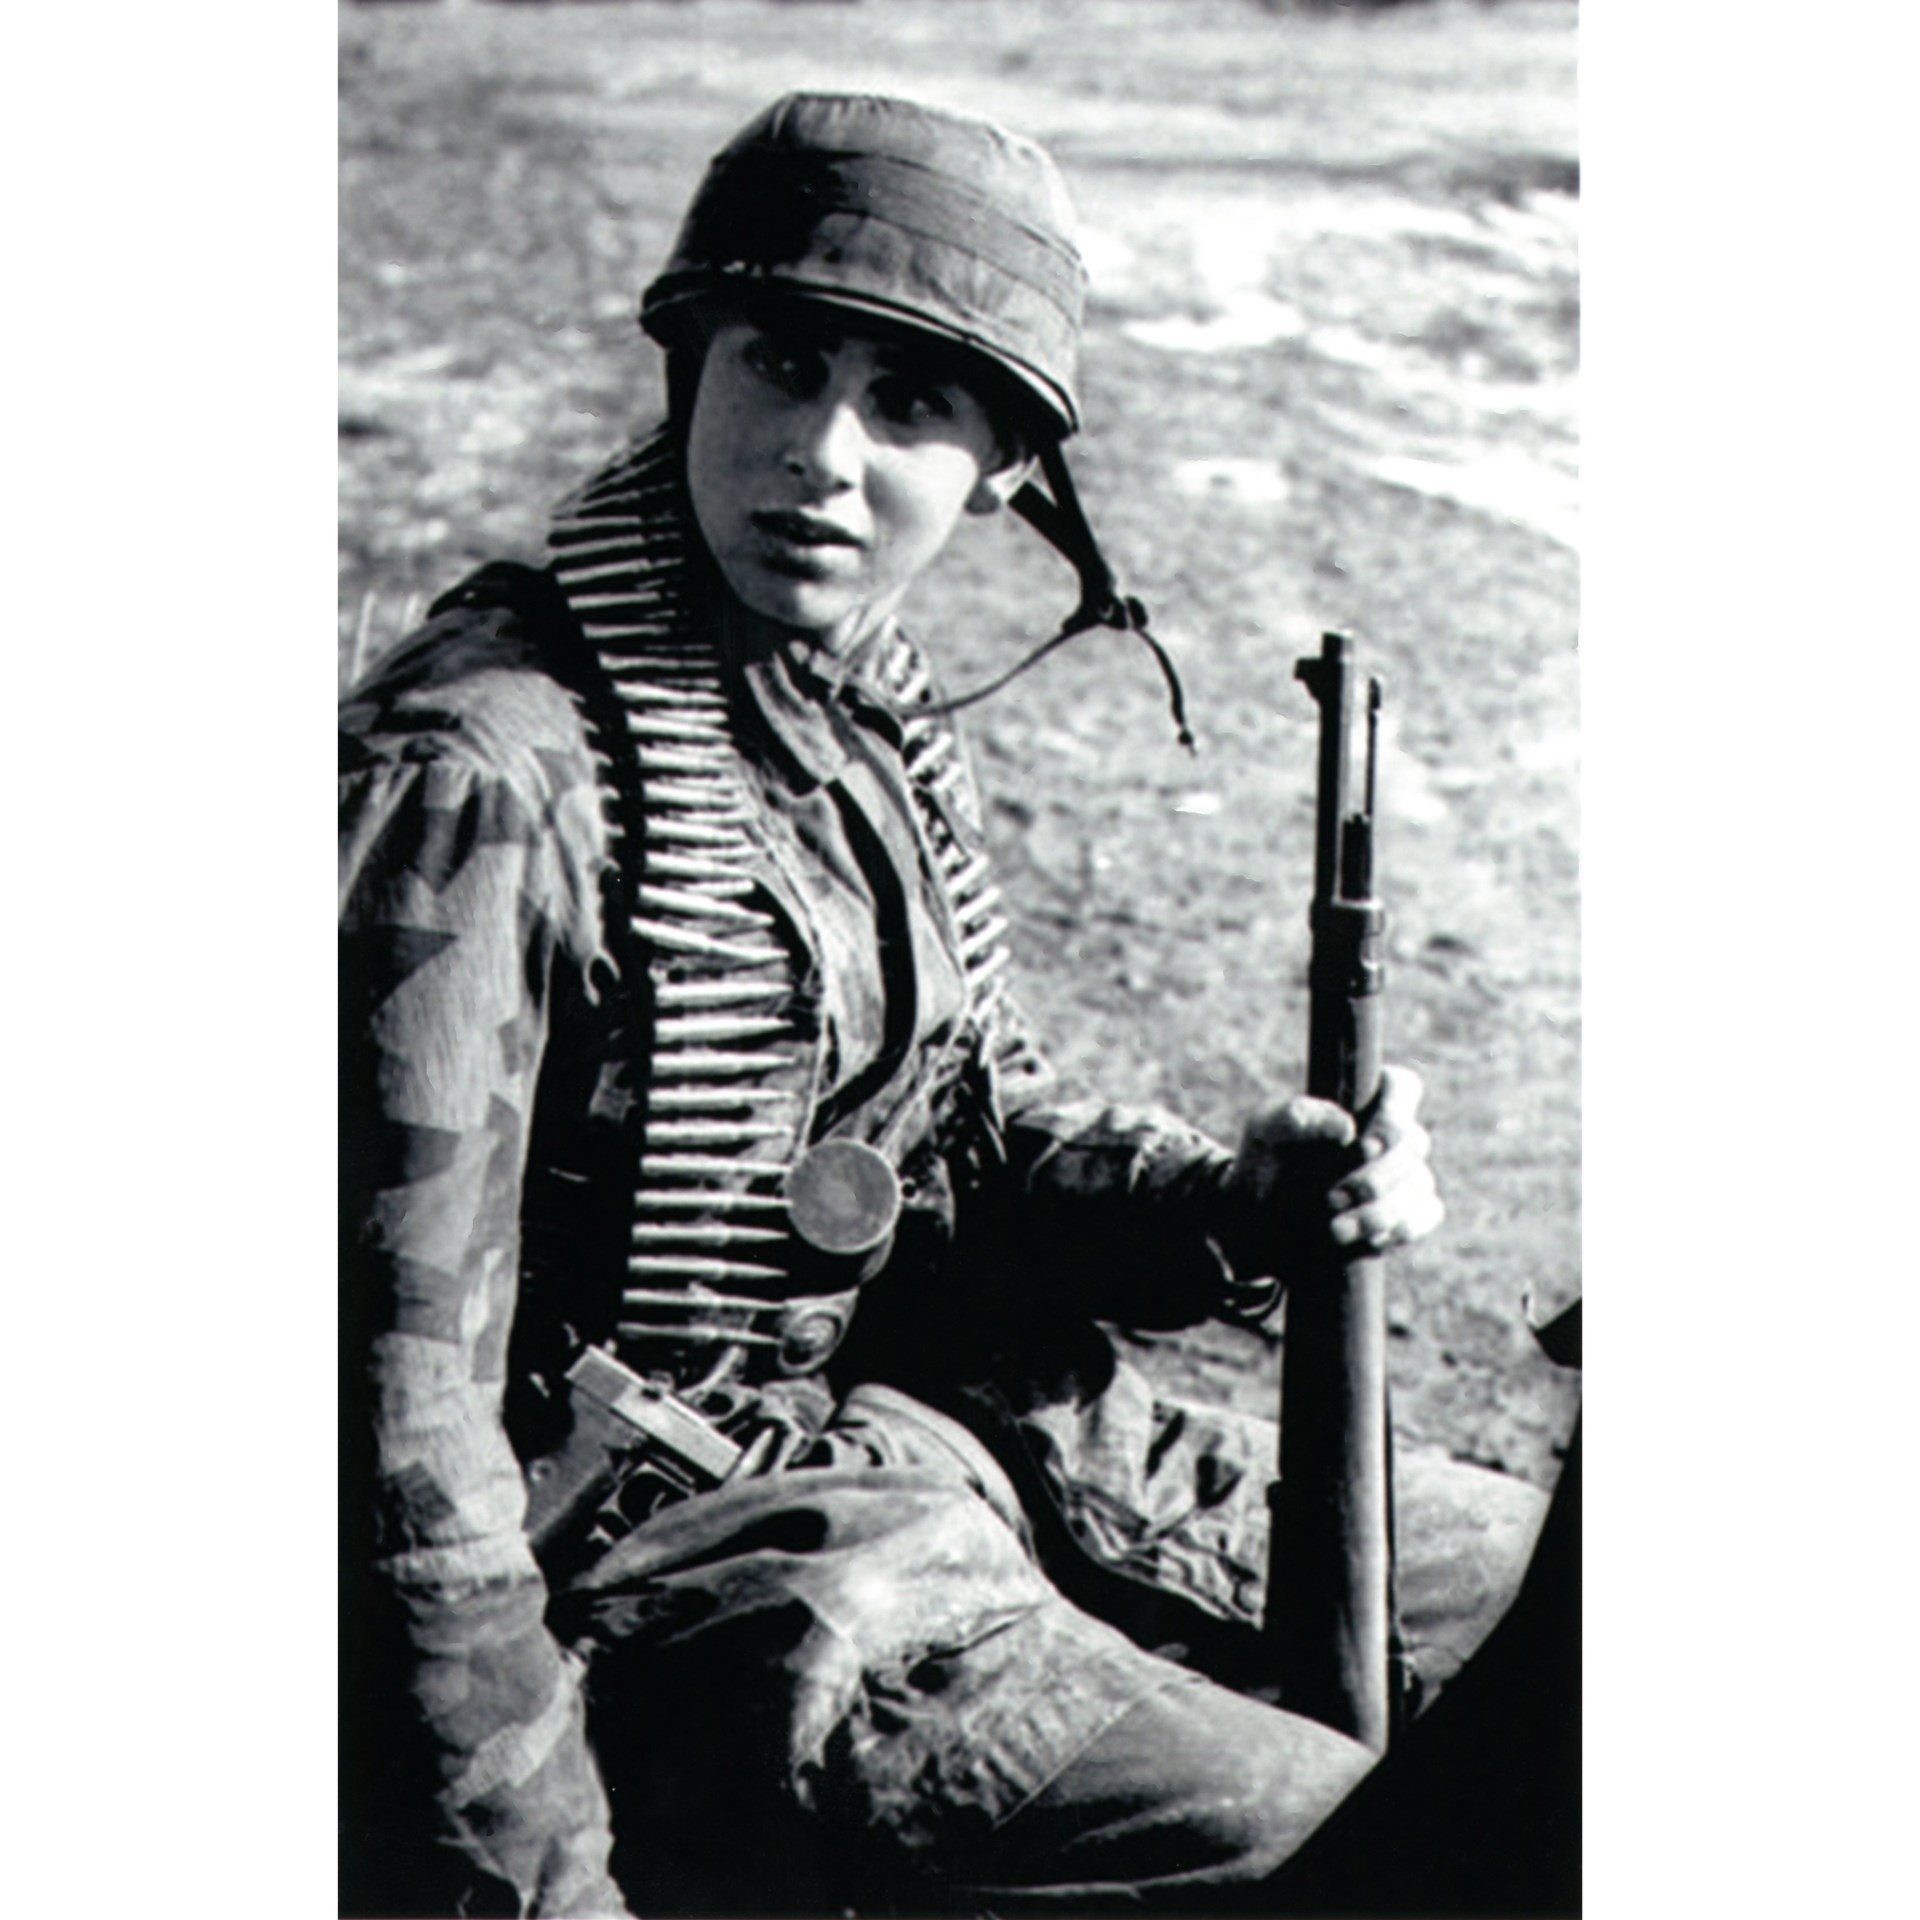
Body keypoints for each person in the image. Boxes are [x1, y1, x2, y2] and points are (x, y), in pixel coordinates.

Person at [340, 92, 1559, 1919]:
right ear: (690, 369)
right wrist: (532, 1877)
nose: (820, 454)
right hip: (679, 1570)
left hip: (949, 1426)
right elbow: (391, 1445)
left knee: (1560, 1616)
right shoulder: (489, 776)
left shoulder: (853, 698)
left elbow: (954, 1134)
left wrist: (1232, 1202)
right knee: (1337, 1843)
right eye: (780, 363)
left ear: (1002, 469)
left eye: (910, 403)